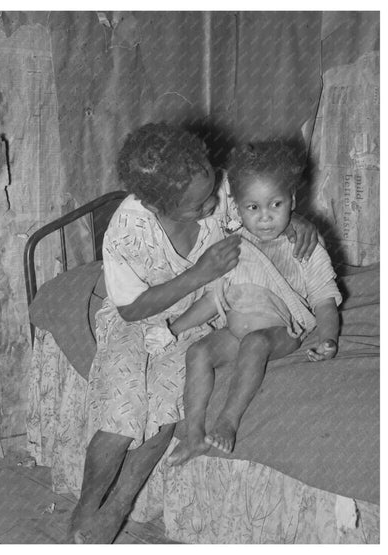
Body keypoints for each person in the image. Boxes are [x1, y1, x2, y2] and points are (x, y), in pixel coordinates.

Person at [68, 125, 318, 543]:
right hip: (135, 318)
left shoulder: (217, 190)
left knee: (164, 411)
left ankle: (118, 506)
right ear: (154, 204)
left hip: (202, 315)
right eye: (196, 206)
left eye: (211, 195)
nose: (211, 206)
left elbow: (261, 209)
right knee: (122, 420)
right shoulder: (128, 230)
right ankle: (86, 505)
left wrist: (298, 223)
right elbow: (131, 309)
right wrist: (199, 273)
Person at [167, 141, 342, 466]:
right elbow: (214, 298)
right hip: (234, 331)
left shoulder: (304, 247)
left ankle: (228, 421)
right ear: (236, 207)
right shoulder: (233, 245)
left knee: (254, 342)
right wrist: (173, 329)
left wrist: (327, 338)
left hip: (279, 332)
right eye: (253, 208)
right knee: (198, 352)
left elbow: (325, 299)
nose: (265, 218)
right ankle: (193, 434)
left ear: (292, 200)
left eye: (275, 204)